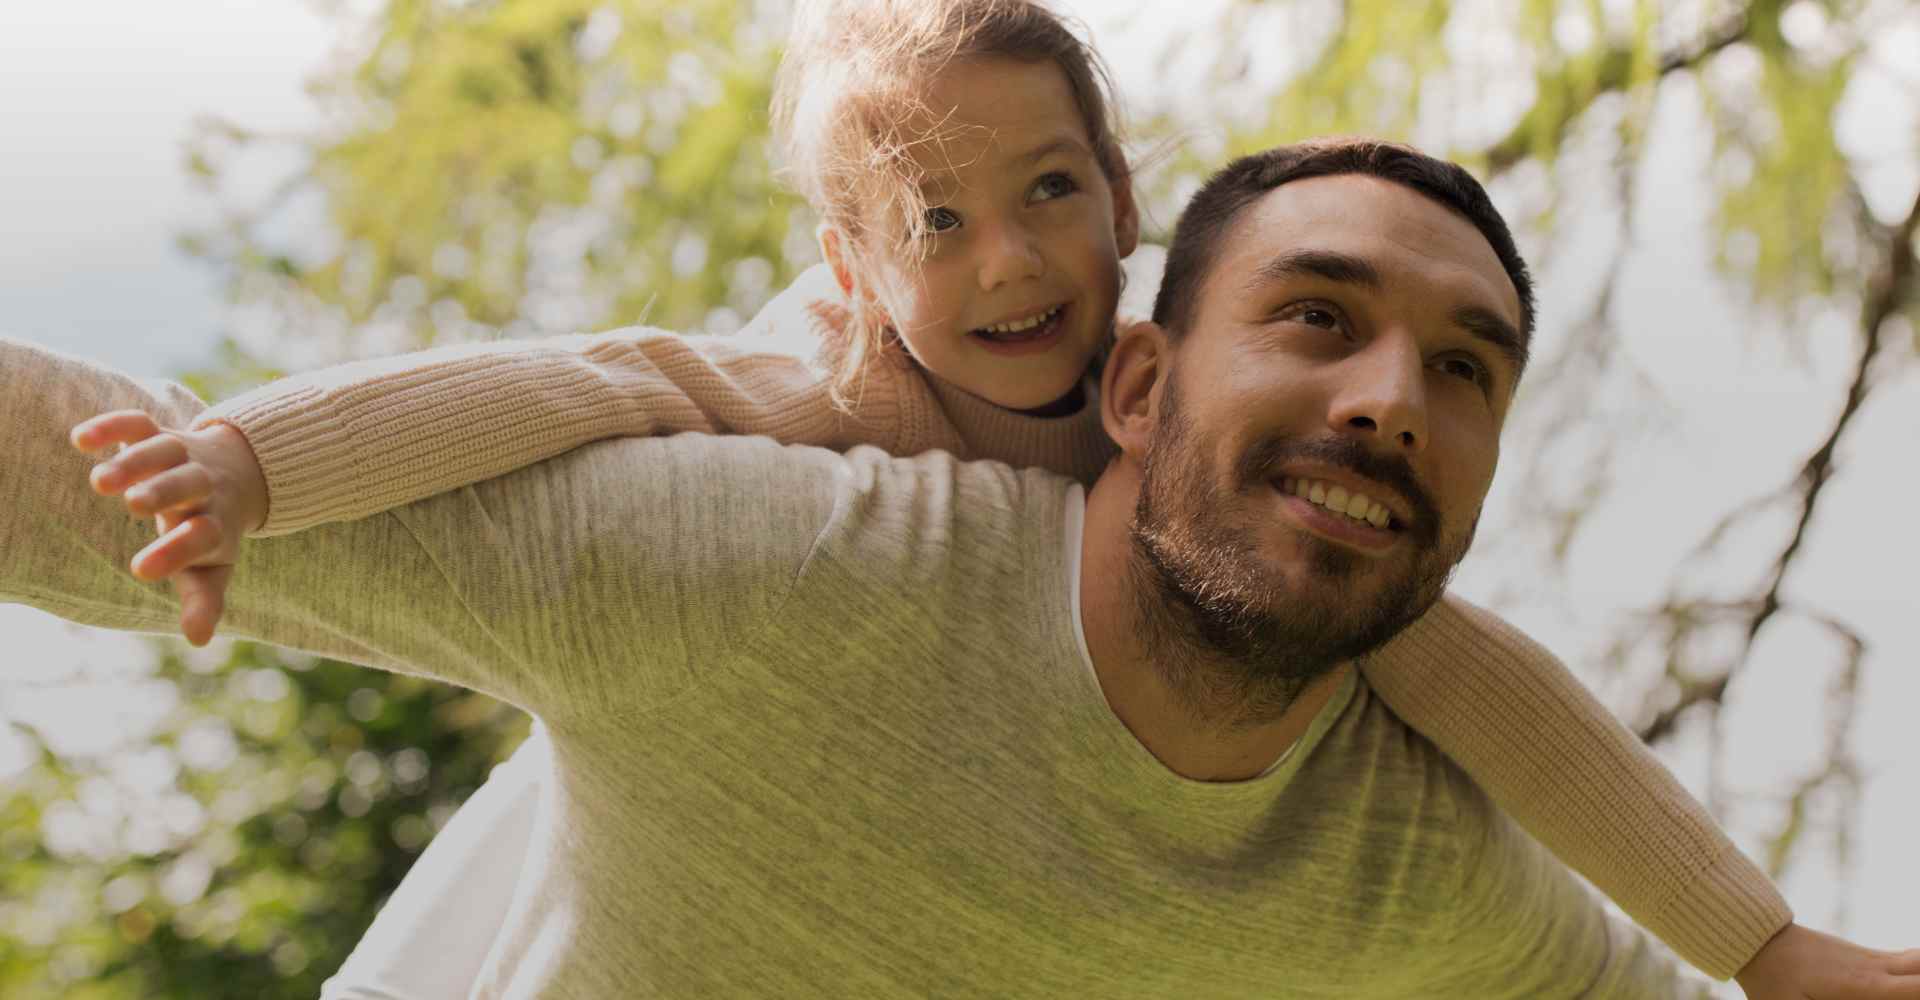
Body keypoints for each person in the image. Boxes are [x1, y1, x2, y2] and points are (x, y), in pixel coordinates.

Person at [28, 0, 1852, 991]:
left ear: (1123, 204)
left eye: (1054, 193)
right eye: (936, 223)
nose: (1014, 267)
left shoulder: (1380, 776)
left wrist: (1773, 950)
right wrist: (248, 461)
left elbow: (1501, 705)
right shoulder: (794, 453)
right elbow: (563, 382)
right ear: (849, 267)